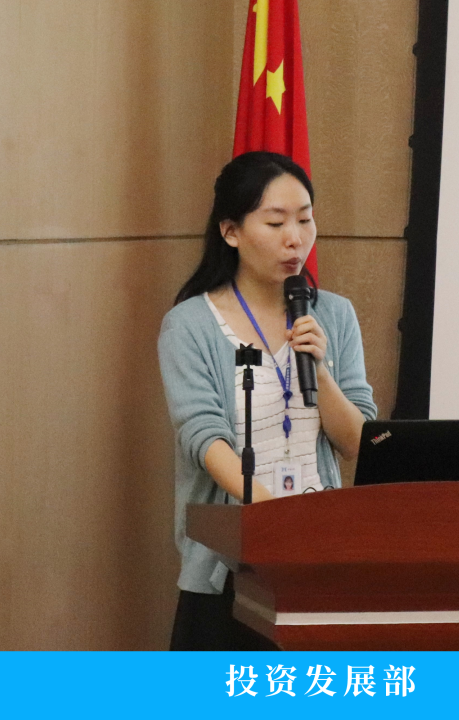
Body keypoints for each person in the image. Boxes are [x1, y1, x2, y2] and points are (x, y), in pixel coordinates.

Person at [158, 151, 377, 651]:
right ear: (231, 231)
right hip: (230, 567)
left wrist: (320, 369)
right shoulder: (188, 326)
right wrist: (274, 523)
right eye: (276, 223)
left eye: (305, 219)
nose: (295, 238)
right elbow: (204, 439)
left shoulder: (334, 315)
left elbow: (357, 442)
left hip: (320, 559)